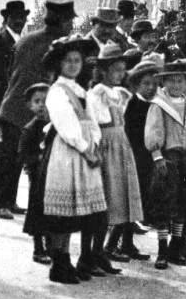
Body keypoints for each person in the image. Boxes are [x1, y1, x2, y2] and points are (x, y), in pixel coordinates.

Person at [0, 0, 75, 226]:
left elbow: (11, 71)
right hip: (28, 109)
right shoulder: (58, 45)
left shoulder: (27, 39)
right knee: (9, 159)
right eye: (69, 21)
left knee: (11, 158)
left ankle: (5, 201)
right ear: (61, 21)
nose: (71, 25)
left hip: (13, 105)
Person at [40, 35, 112, 284]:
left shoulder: (81, 91)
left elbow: (92, 121)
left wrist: (95, 142)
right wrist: (84, 147)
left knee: (77, 211)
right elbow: (66, 126)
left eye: (77, 61)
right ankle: (59, 261)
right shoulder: (57, 91)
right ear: (59, 64)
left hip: (86, 151)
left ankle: (69, 260)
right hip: (68, 153)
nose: (73, 65)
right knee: (63, 211)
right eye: (68, 61)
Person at [145, 62, 186, 268]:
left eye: (180, 80)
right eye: (171, 80)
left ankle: (176, 245)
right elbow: (154, 131)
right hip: (169, 157)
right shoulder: (158, 105)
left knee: (185, 200)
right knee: (165, 201)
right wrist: (157, 156)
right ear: (164, 82)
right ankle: (162, 249)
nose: (176, 85)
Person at [88, 45, 145, 264]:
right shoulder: (97, 94)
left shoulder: (120, 94)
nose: (120, 75)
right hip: (107, 145)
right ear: (103, 71)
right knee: (109, 197)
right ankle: (97, 250)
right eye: (116, 70)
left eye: (122, 70)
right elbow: (94, 123)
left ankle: (109, 247)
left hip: (121, 145)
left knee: (123, 196)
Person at [121, 59, 161, 260]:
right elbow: (129, 132)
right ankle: (122, 242)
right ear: (136, 85)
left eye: (154, 84)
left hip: (147, 157)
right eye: (146, 84)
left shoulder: (154, 105)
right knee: (131, 201)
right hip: (134, 155)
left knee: (142, 198)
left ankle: (127, 243)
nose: (151, 88)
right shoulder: (133, 104)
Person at [18, 82, 52, 264]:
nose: (41, 105)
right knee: (38, 211)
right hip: (38, 176)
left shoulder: (57, 125)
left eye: (45, 101)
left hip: (54, 174)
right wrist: (38, 158)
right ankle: (38, 247)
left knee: (53, 211)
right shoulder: (31, 128)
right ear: (30, 105)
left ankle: (52, 246)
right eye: (37, 101)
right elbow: (23, 154)